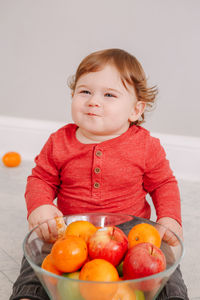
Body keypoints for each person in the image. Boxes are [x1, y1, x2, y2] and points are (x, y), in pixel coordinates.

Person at [10, 48, 189, 300]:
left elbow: (163, 184)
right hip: (70, 228)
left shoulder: (146, 145)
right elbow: (40, 178)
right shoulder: (59, 141)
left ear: (136, 110)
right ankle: (29, 295)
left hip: (131, 229)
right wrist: (39, 207)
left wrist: (170, 217)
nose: (94, 101)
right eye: (85, 91)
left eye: (109, 94)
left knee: (162, 265)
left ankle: (172, 296)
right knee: (42, 261)